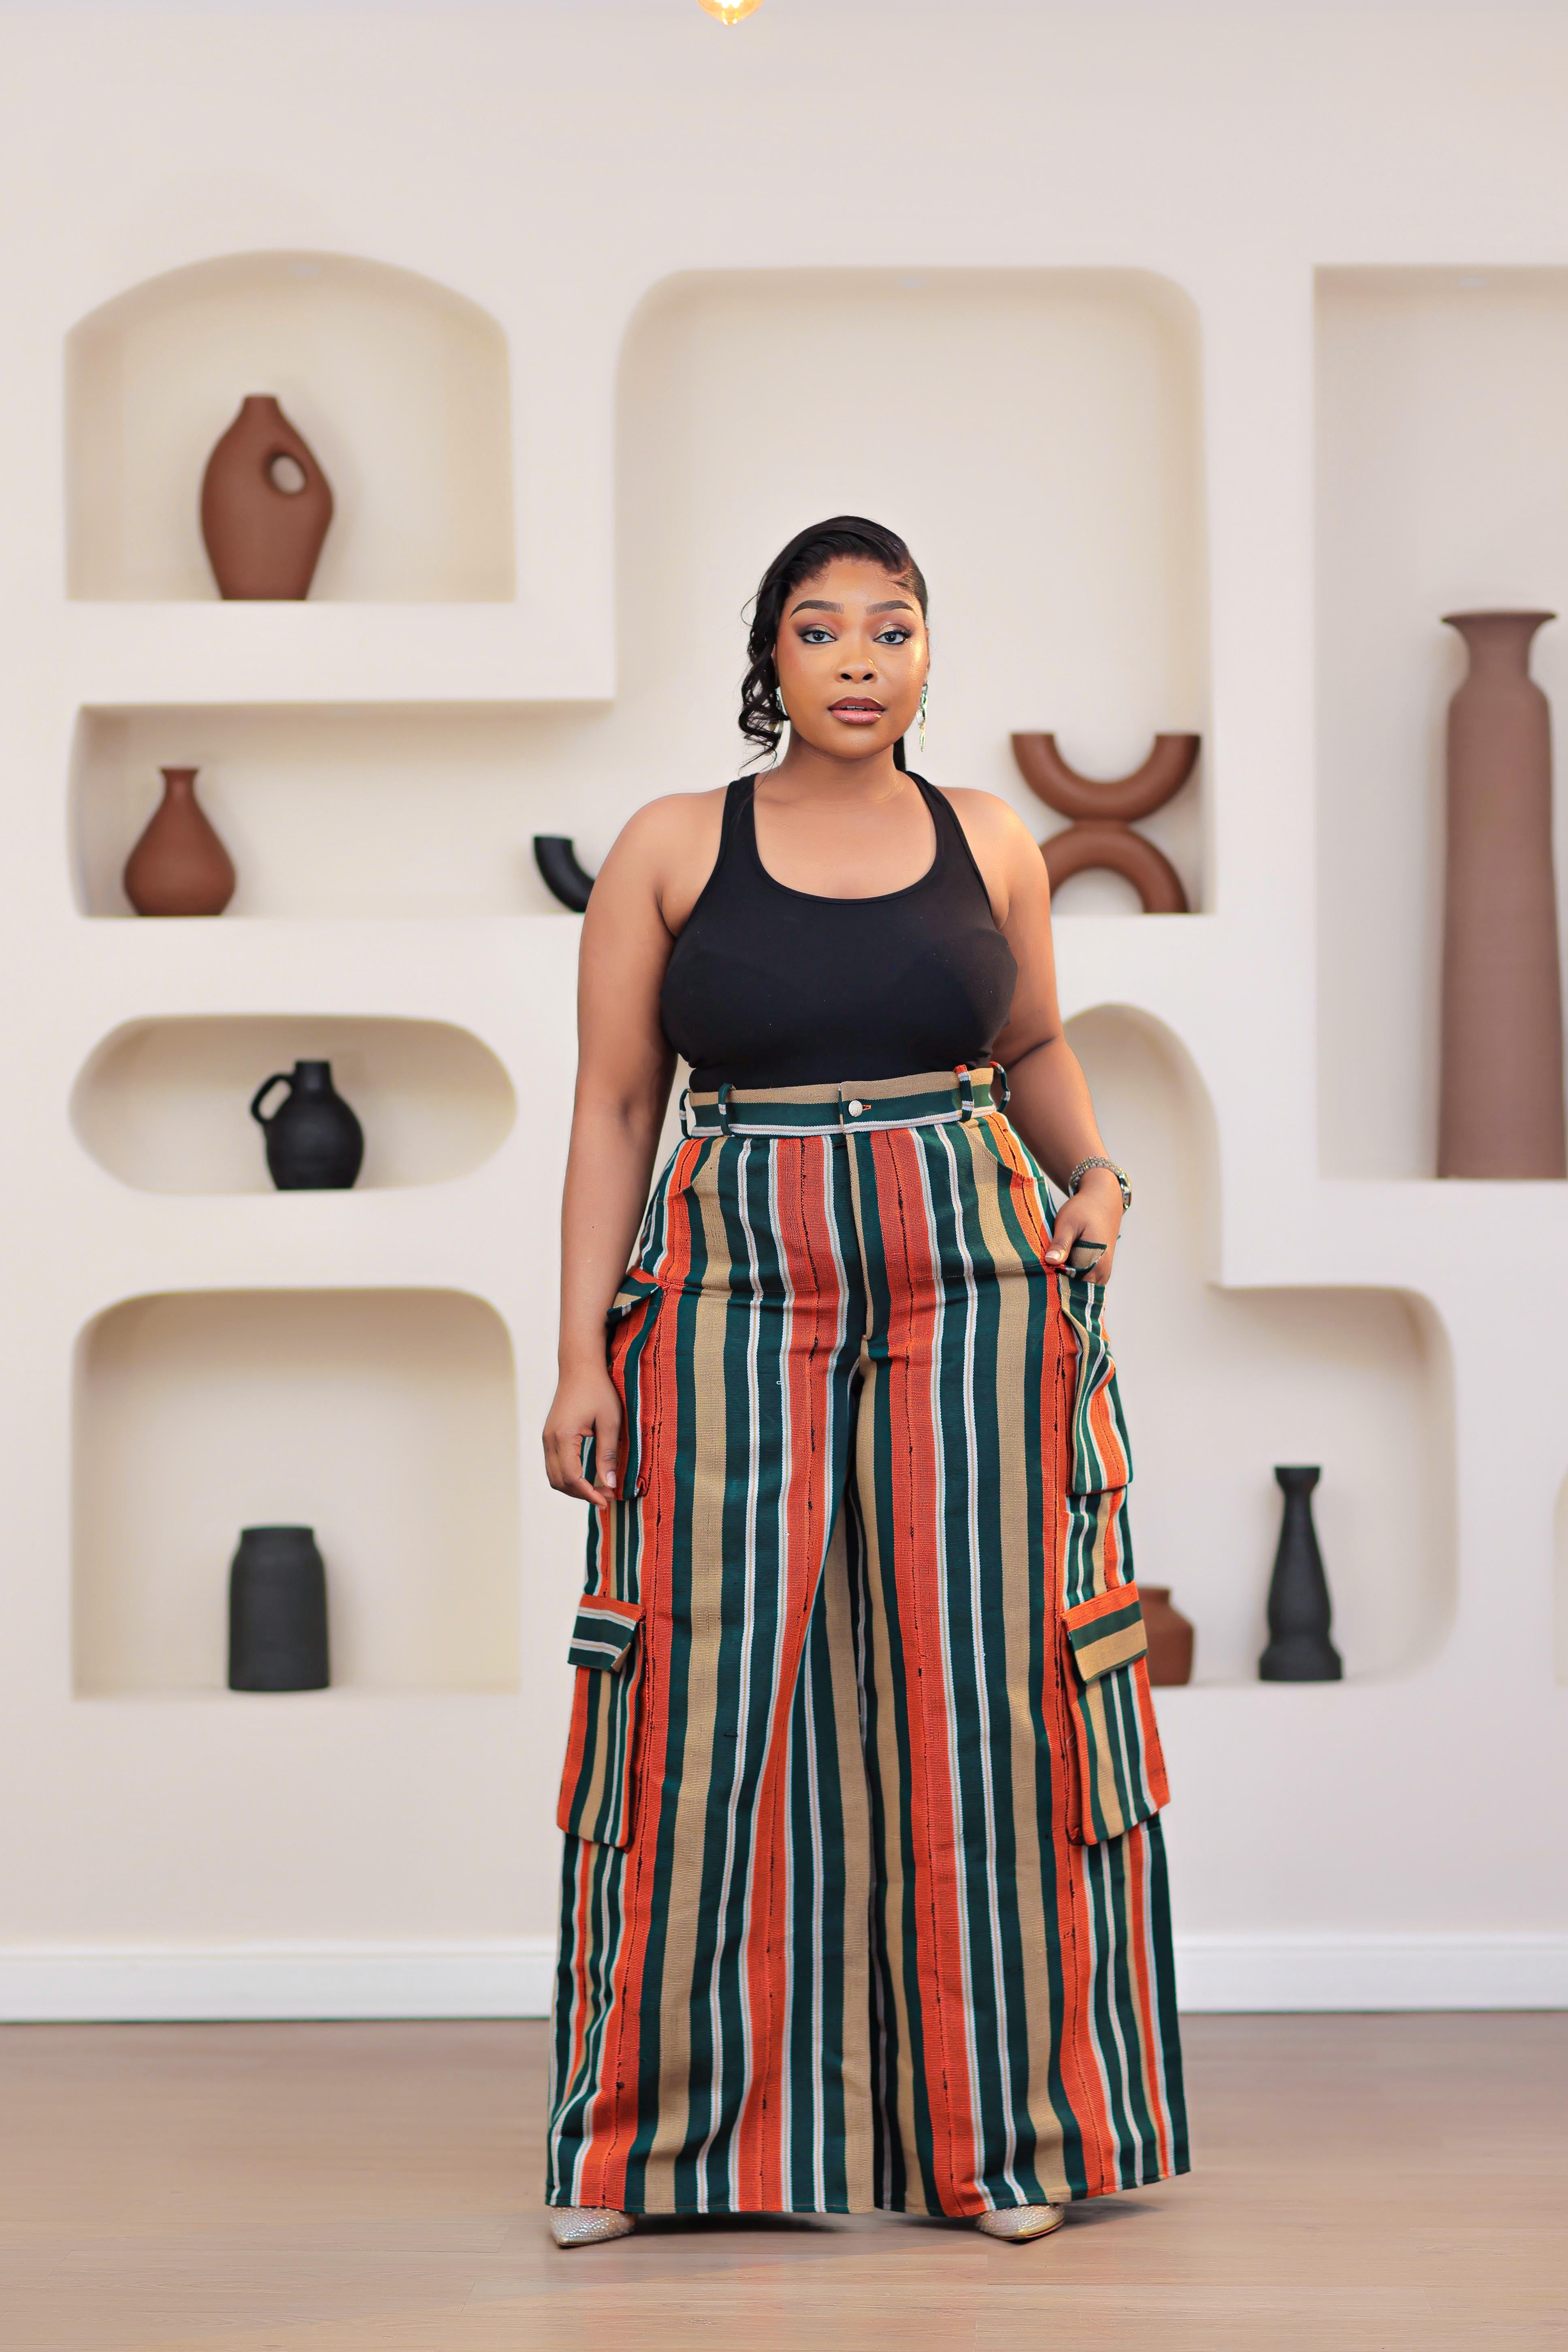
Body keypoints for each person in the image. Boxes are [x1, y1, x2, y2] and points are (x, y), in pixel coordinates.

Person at [541, 516, 1187, 2247]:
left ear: (923, 657)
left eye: (887, 628)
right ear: (770, 659)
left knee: (984, 1693)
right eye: (818, 629)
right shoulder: (675, 844)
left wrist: (1098, 1176)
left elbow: (1031, 1043)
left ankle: (1009, 2146)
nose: (854, 657)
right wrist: (574, 1358)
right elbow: (616, 1107)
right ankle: (662, 2157)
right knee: (699, 1696)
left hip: (977, 1284)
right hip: (728, 1289)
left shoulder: (993, 840)